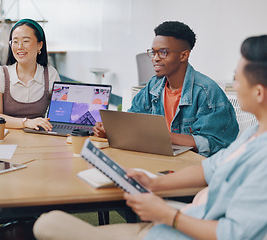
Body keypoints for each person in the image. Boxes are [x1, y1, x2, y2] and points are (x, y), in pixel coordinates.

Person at [29, 35, 267, 240]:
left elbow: (233, 234)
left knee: (47, 224)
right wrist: (155, 183)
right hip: (175, 222)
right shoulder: (251, 136)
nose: (234, 84)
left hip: (178, 225)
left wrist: (166, 214)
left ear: (258, 92)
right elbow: (209, 169)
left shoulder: (261, 157)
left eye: (237, 78)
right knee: (49, 222)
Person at [94, 21, 238, 157]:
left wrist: (163, 135)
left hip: (192, 166)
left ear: (184, 55)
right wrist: (111, 130)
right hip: (160, 157)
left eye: (163, 52)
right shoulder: (154, 85)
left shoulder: (207, 92)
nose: (155, 58)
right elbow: (132, 120)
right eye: (153, 52)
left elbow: (215, 144)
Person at [0, 19, 61, 131]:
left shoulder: (50, 74)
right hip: (7, 138)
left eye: (25, 41)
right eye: (15, 42)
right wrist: (27, 122)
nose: (19, 47)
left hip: (38, 137)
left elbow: (60, 114)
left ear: (39, 45)